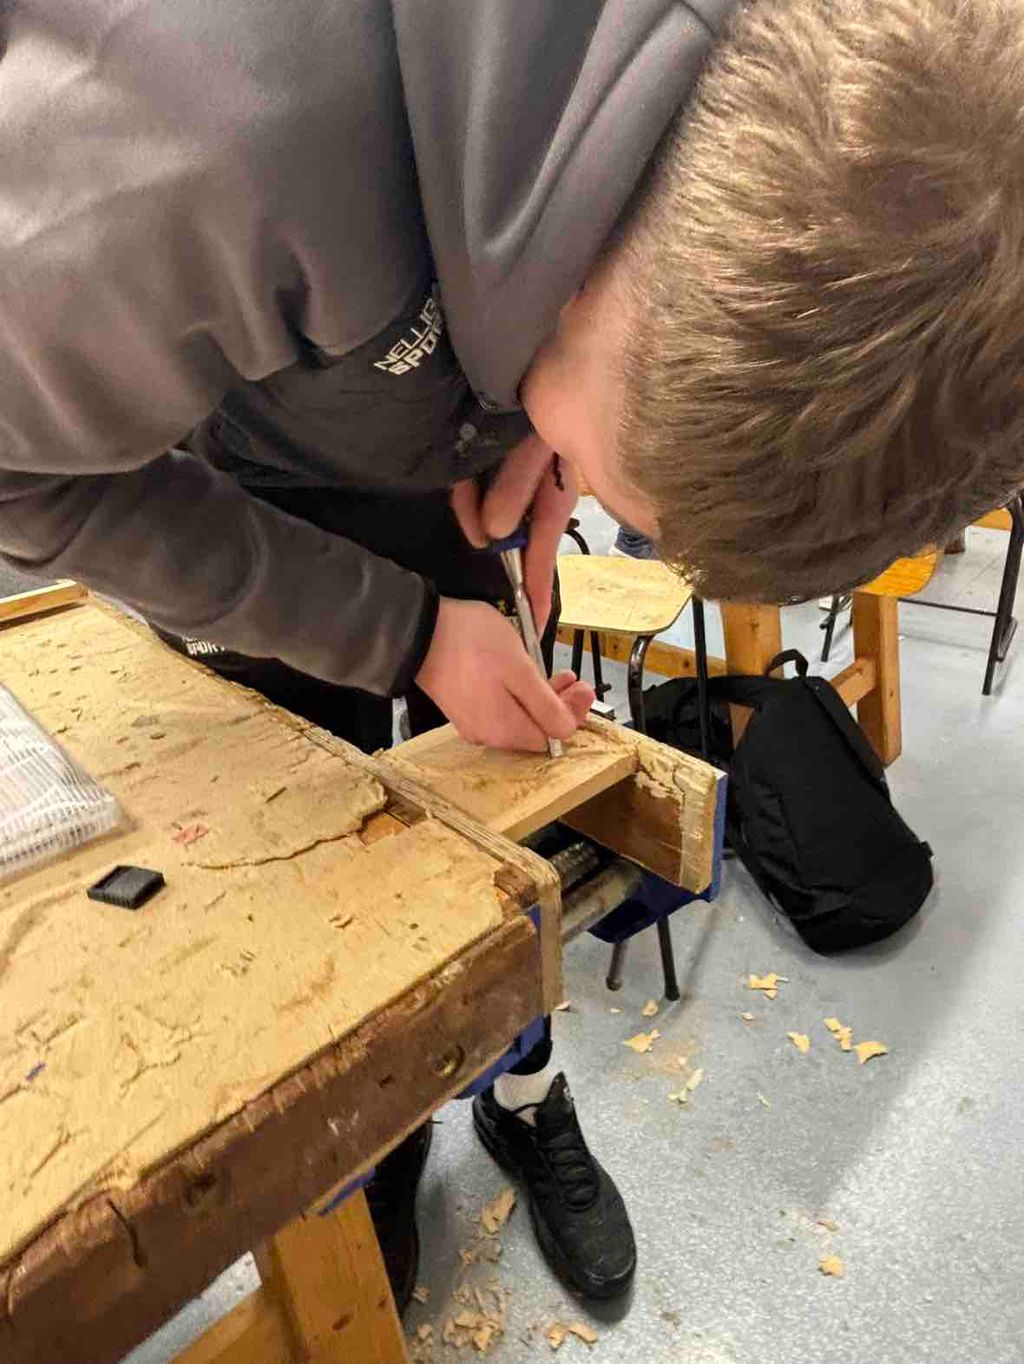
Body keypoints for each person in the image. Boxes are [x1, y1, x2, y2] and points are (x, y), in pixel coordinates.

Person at [3, 0, 1024, 1306]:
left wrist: (535, 428)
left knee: (510, 817)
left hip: (437, 399)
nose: (598, 510)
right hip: (242, 503)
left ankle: (524, 1092)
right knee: (329, 865)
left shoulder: (687, 155)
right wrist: (404, 632)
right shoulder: (201, 136)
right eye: (619, 486)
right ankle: (377, 1145)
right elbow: (21, 475)